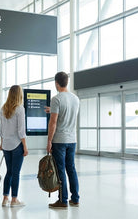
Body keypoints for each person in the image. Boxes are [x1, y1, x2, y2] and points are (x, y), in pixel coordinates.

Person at [45, 72, 80, 208]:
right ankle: (75, 198)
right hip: (72, 140)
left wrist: (49, 141)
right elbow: (67, 114)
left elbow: (53, 122)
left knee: (60, 170)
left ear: (56, 83)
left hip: (59, 140)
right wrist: (52, 110)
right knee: (71, 169)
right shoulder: (75, 99)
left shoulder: (56, 99)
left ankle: (62, 200)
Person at [0, 85, 28, 207]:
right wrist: (25, 147)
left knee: (9, 172)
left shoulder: (3, 109)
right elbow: (21, 131)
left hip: (6, 144)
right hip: (16, 144)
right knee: (16, 173)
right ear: (19, 94)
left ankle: (5, 198)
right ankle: (14, 200)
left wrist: (1, 144)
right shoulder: (20, 109)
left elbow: (1, 129)